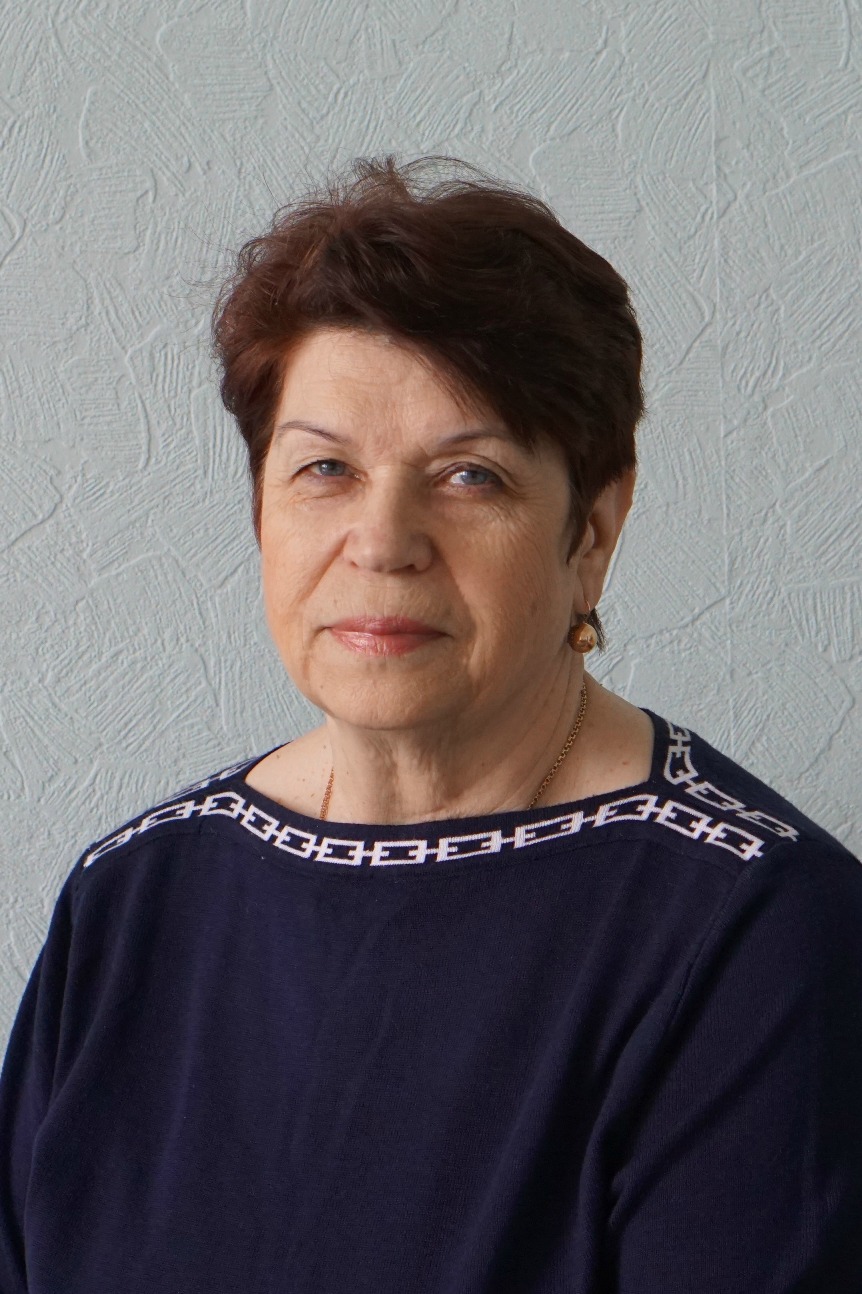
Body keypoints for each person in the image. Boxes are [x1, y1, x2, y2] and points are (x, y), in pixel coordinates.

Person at [1, 156, 860, 1294]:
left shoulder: (760, 929)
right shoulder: (132, 899)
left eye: (469, 477)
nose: (382, 541)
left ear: (593, 530)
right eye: (324, 468)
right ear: (260, 510)